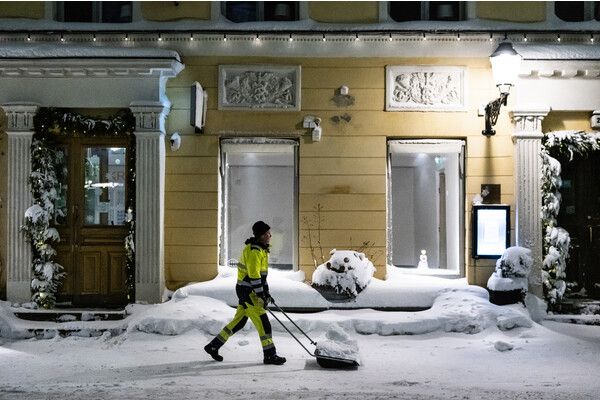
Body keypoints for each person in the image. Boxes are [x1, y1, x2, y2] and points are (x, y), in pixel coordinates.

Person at [204, 221, 286, 365]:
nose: (270, 235)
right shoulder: (254, 251)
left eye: (269, 232)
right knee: (263, 323)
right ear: (260, 235)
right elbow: (253, 276)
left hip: (247, 290)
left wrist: (266, 292)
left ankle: (213, 346)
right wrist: (261, 294)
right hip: (249, 291)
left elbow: (262, 276)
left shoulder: (261, 250)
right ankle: (270, 355)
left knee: (239, 322)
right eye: (267, 233)